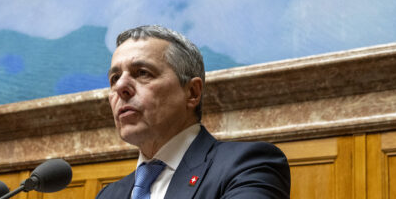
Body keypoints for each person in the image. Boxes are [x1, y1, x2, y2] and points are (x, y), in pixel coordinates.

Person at [97, 25, 290, 199]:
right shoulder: (109, 195)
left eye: (142, 73)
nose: (120, 86)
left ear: (192, 92)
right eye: (114, 78)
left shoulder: (248, 165)